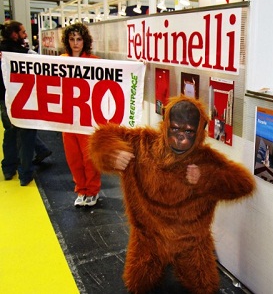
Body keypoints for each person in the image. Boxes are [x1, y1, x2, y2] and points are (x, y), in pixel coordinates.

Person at [88, 95, 256, 293]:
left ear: (200, 133)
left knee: (206, 287)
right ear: (165, 124)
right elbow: (102, 136)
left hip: (190, 244)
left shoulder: (206, 160)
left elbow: (243, 184)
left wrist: (207, 177)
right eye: (175, 128)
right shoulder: (141, 144)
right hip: (148, 239)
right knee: (137, 284)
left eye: (188, 131)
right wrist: (111, 153)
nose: (180, 137)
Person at [0, 20, 51, 186]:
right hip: (26, 102)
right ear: (14, 35)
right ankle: (25, 174)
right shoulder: (25, 55)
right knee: (26, 138)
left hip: (5, 101)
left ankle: (8, 169)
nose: (26, 34)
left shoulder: (3, 53)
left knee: (10, 135)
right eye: (23, 32)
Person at [60, 22, 101, 207]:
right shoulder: (60, 60)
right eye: (72, 39)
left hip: (86, 118)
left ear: (85, 41)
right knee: (73, 157)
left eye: (79, 39)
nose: (76, 43)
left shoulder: (94, 61)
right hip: (68, 118)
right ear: (67, 41)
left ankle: (92, 191)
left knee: (88, 157)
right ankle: (81, 189)